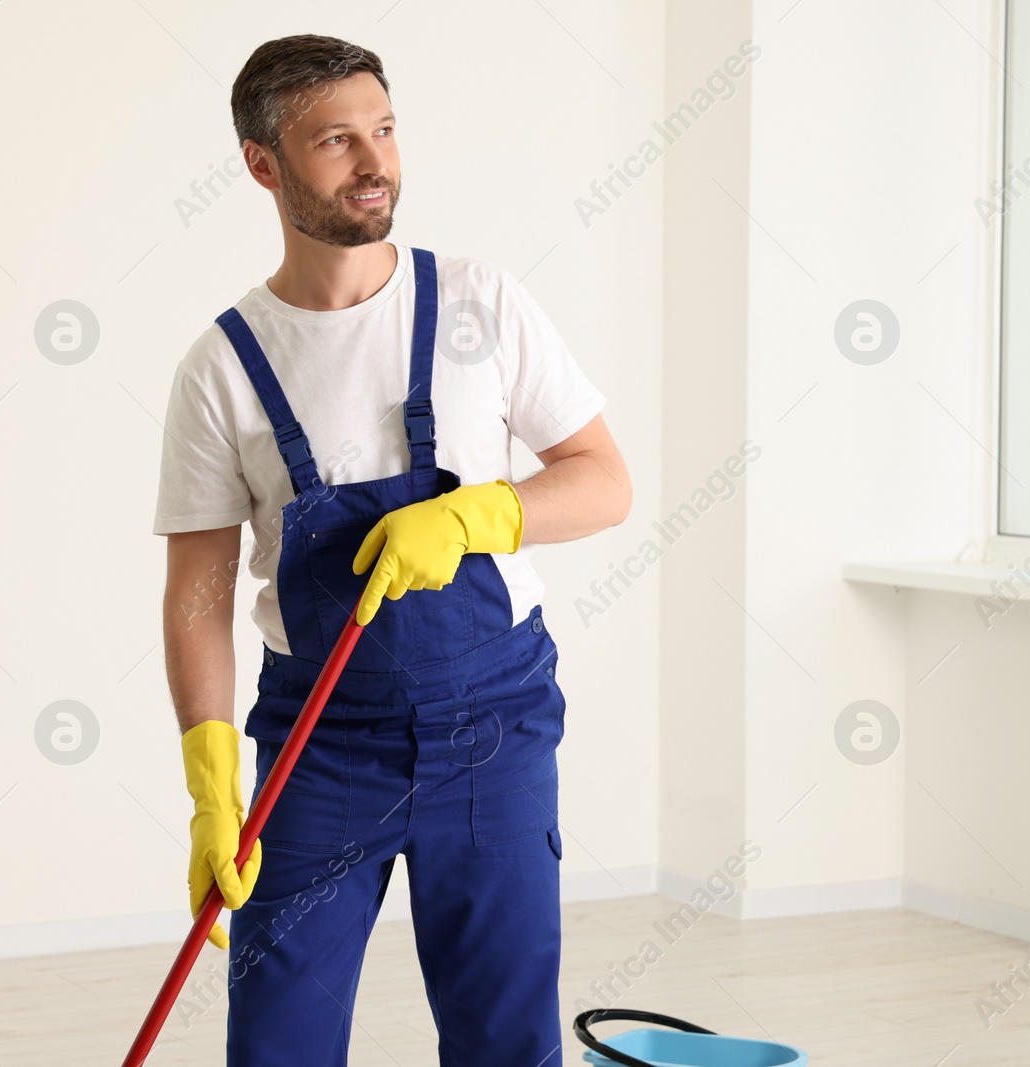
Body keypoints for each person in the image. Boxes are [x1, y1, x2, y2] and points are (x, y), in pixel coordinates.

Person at [151, 33, 630, 1066]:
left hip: (492, 726)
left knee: (505, 1038)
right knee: (278, 1042)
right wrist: (209, 783)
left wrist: (476, 514)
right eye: (336, 141)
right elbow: (195, 593)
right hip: (320, 747)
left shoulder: (477, 302)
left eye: (384, 130)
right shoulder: (221, 368)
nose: (376, 164)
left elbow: (603, 477)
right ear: (263, 163)